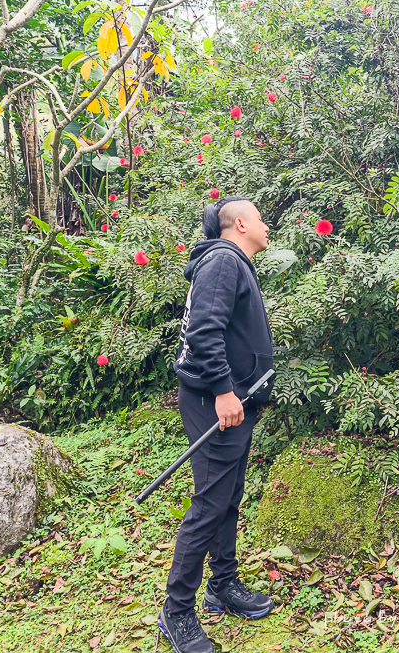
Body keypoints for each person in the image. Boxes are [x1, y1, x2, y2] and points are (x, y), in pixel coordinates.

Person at [158, 197, 275, 653]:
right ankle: (176, 611)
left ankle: (222, 585)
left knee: (227, 496)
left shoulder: (230, 263)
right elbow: (203, 331)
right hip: (215, 400)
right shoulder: (223, 261)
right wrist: (225, 390)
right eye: (261, 218)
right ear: (241, 223)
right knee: (210, 502)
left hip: (231, 400)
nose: (267, 226)